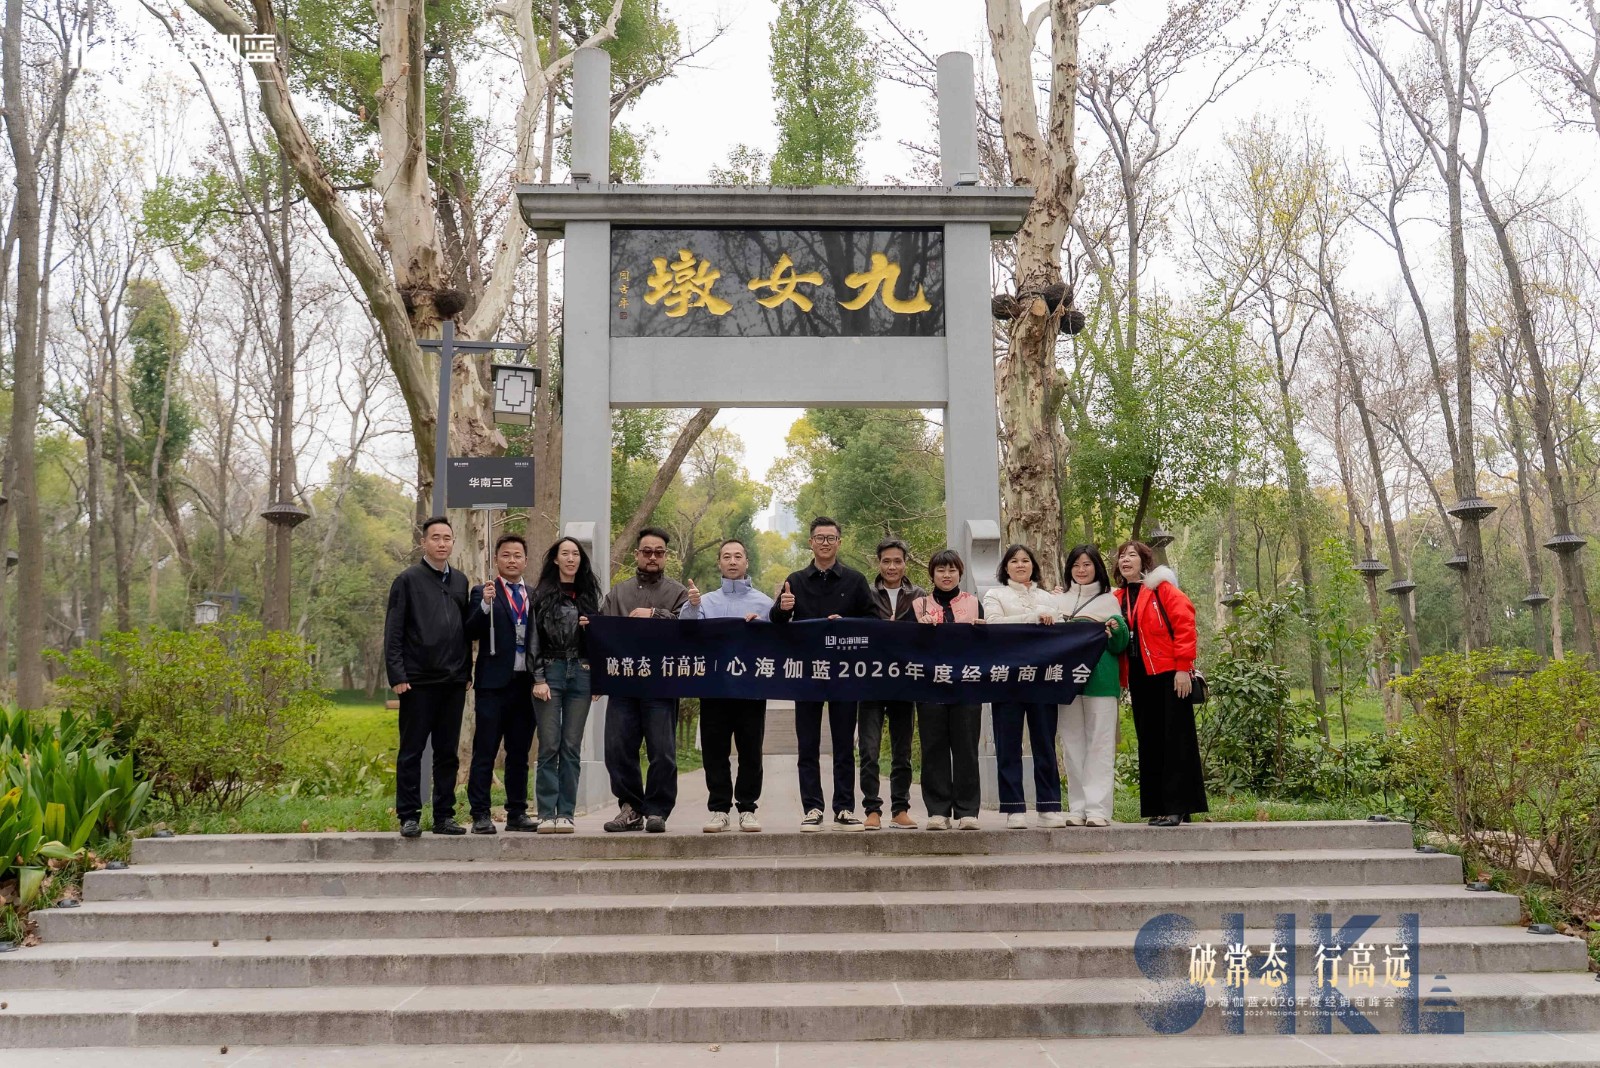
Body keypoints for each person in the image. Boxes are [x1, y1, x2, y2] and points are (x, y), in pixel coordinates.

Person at [770, 515, 878, 831]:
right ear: (811, 542)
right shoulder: (795, 580)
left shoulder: (855, 580)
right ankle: (812, 808)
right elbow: (776, 622)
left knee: (844, 745)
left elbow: (873, 621)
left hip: (845, 673)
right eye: (820, 538)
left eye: (831, 538)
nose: (825, 543)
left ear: (839, 542)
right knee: (808, 745)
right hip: (807, 674)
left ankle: (844, 807)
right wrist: (783, 608)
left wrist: (847, 624)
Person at [384, 516, 473, 839]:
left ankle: (444, 816)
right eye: (435, 537)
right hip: (417, 681)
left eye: (447, 538)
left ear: (453, 542)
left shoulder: (460, 581)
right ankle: (409, 815)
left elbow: (465, 631)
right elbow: (394, 630)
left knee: (447, 753)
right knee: (412, 750)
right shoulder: (407, 580)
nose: (441, 543)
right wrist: (397, 674)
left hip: (453, 681)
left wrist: (466, 671)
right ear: (424, 542)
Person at [680, 538, 774, 832]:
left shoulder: (764, 603)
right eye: (726, 557)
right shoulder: (705, 601)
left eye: (737, 556)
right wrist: (692, 606)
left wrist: (760, 627)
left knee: (751, 750)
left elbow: (778, 642)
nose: (732, 561)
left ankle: (747, 808)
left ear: (747, 562)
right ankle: (719, 808)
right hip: (714, 689)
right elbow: (687, 632)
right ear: (719, 563)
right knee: (715, 751)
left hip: (751, 690)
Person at [1113, 540, 1208, 827]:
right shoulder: (1117, 597)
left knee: (1176, 739)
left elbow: (1185, 625)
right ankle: (1161, 807)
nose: (1125, 560)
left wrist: (1183, 668)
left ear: (1144, 561)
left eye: (1132, 555)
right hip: (1139, 677)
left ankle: (1177, 807)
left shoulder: (1161, 588)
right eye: (1121, 556)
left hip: (1169, 674)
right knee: (1150, 741)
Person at [601, 527, 689, 834]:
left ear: (666, 556)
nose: (653, 557)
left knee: (662, 751)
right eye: (647, 551)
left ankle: (657, 810)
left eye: (659, 552)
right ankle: (631, 808)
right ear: (636, 554)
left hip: (661, 684)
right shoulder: (618, 593)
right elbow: (601, 633)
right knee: (617, 748)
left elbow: (688, 629)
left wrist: (655, 614)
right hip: (623, 682)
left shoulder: (678, 593)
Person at [982, 543, 1067, 829]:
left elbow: (1063, 629)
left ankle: (1049, 806)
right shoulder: (995, 595)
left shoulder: (1048, 597)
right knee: (1008, 744)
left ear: (1034, 565)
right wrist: (1033, 618)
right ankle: (1014, 808)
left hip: (1043, 677)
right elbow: (993, 624)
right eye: (1014, 561)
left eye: (1026, 560)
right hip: (1006, 677)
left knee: (1045, 743)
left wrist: (1051, 616)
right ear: (1005, 567)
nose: (1020, 565)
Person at [464, 534, 540, 835]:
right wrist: (485, 605)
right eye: (506, 555)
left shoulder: (534, 595)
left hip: (526, 684)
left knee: (519, 753)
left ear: (525, 561)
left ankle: (517, 812)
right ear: (496, 559)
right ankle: (480, 814)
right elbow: (470, 630)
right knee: (485, 749)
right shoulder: (484, 592)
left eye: (517, 555)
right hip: (493, 685)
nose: (512, 560)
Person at [529, 537, 603, 834]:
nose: (571, 558)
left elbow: (600, 642)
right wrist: (538, 678)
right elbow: (533, 638)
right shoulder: (542, 595)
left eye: (576, 554)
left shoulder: (588, 596)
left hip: (582, 673)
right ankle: (546, 813)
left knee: (571, 746)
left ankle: (566, 814)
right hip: (551, 670)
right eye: (565, 553)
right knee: (549, 744)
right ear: (556, 559)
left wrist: (591, 628)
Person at [1055, 545, 1129, 828]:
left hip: (1101, 682)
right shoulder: (1058, 600)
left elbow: (1119, 645)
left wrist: (1117, 630)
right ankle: (1077, 808)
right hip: (1066, 682)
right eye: (1076, 565)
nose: (1081, 570)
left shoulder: (1110, 601)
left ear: (1097, 567)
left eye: (1087, 564)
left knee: (1100, 744)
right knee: (1072, 745)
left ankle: (1098, 810)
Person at [911, 549, 984, 831]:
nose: (946, 575)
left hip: (967, 686)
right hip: (930, 687)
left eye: (952, 570)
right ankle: (937, 811)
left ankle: (968, 811)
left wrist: (982, 631)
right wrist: (919, 628)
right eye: (940, 570)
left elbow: (988, 645)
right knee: (934, 748)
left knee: (967, 749)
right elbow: (906, 645)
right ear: (932, 574)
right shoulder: (919, 605)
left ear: (960, 573)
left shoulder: (974, 603)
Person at [860, 537, 926, 830]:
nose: (891, 567)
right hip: (871, 680)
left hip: (904, 681)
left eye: (897, 561)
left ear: (905, 563)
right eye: (886, 561)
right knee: (869, 750)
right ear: (879, 563)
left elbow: (930, 633)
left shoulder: (919, 595)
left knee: (902, 750)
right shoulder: (866, 594)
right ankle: (872, 809)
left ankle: (900, 809)